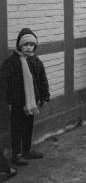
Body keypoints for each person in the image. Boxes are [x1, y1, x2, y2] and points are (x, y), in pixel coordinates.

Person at [1, 28, 50, 165]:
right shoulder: (11, 63)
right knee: (16, 128)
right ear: (19, 46)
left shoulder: (36, 62)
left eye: (32, 45)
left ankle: (27, 150)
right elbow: (4, 82)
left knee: (28, 127)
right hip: (17, 102)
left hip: (31, 102)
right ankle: (16, 154)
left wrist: (45, 95)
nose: (29, 48)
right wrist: (8, 99)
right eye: (25, 45)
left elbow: (42, 80)